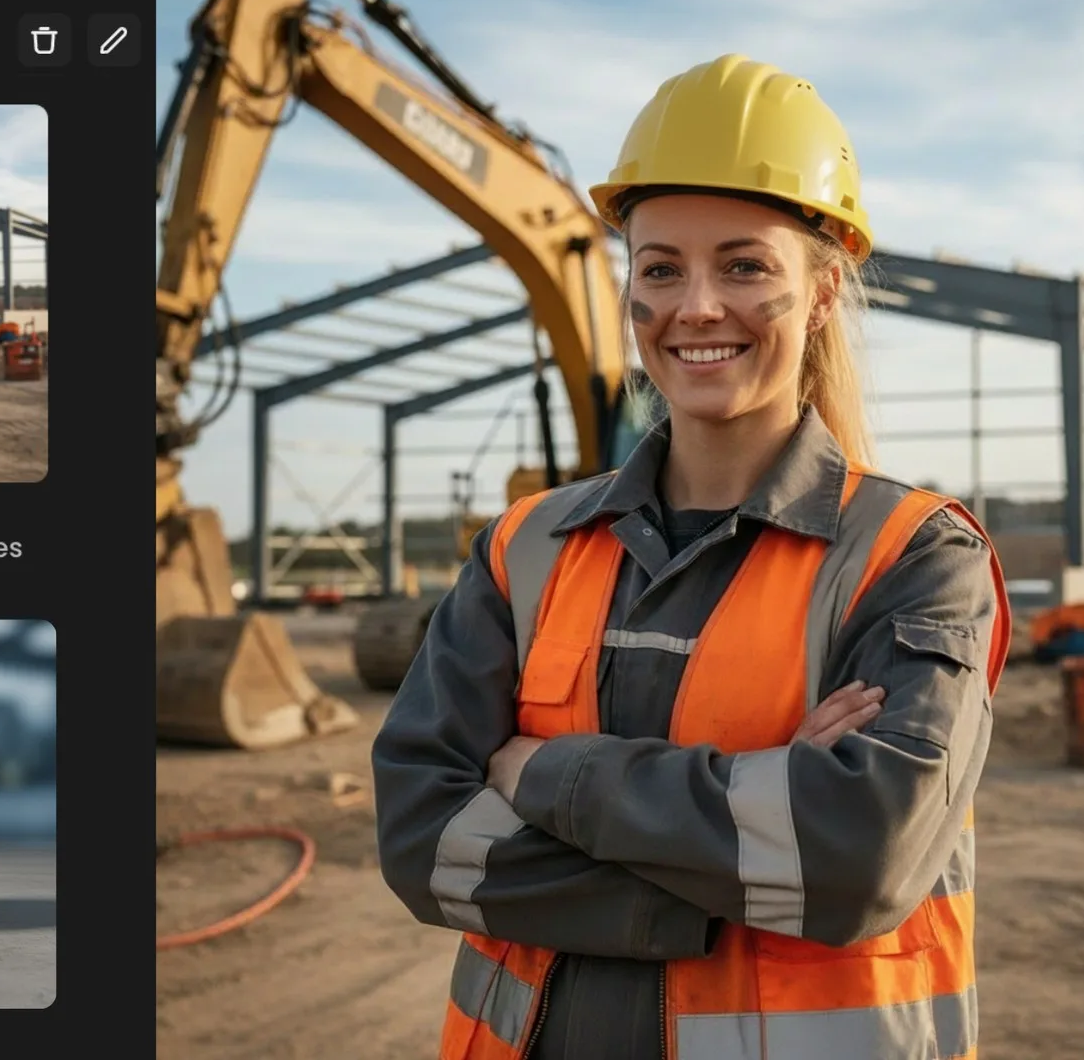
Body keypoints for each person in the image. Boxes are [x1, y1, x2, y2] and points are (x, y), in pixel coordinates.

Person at [371, 53, 1012, 1060]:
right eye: (661, 267)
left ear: (822, 292)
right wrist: (757, 820)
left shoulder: (914, 558)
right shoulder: (525, 551)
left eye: (745, 264)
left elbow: (857, 860)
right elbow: (420, 841)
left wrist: (540, 774)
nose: (695, 305)